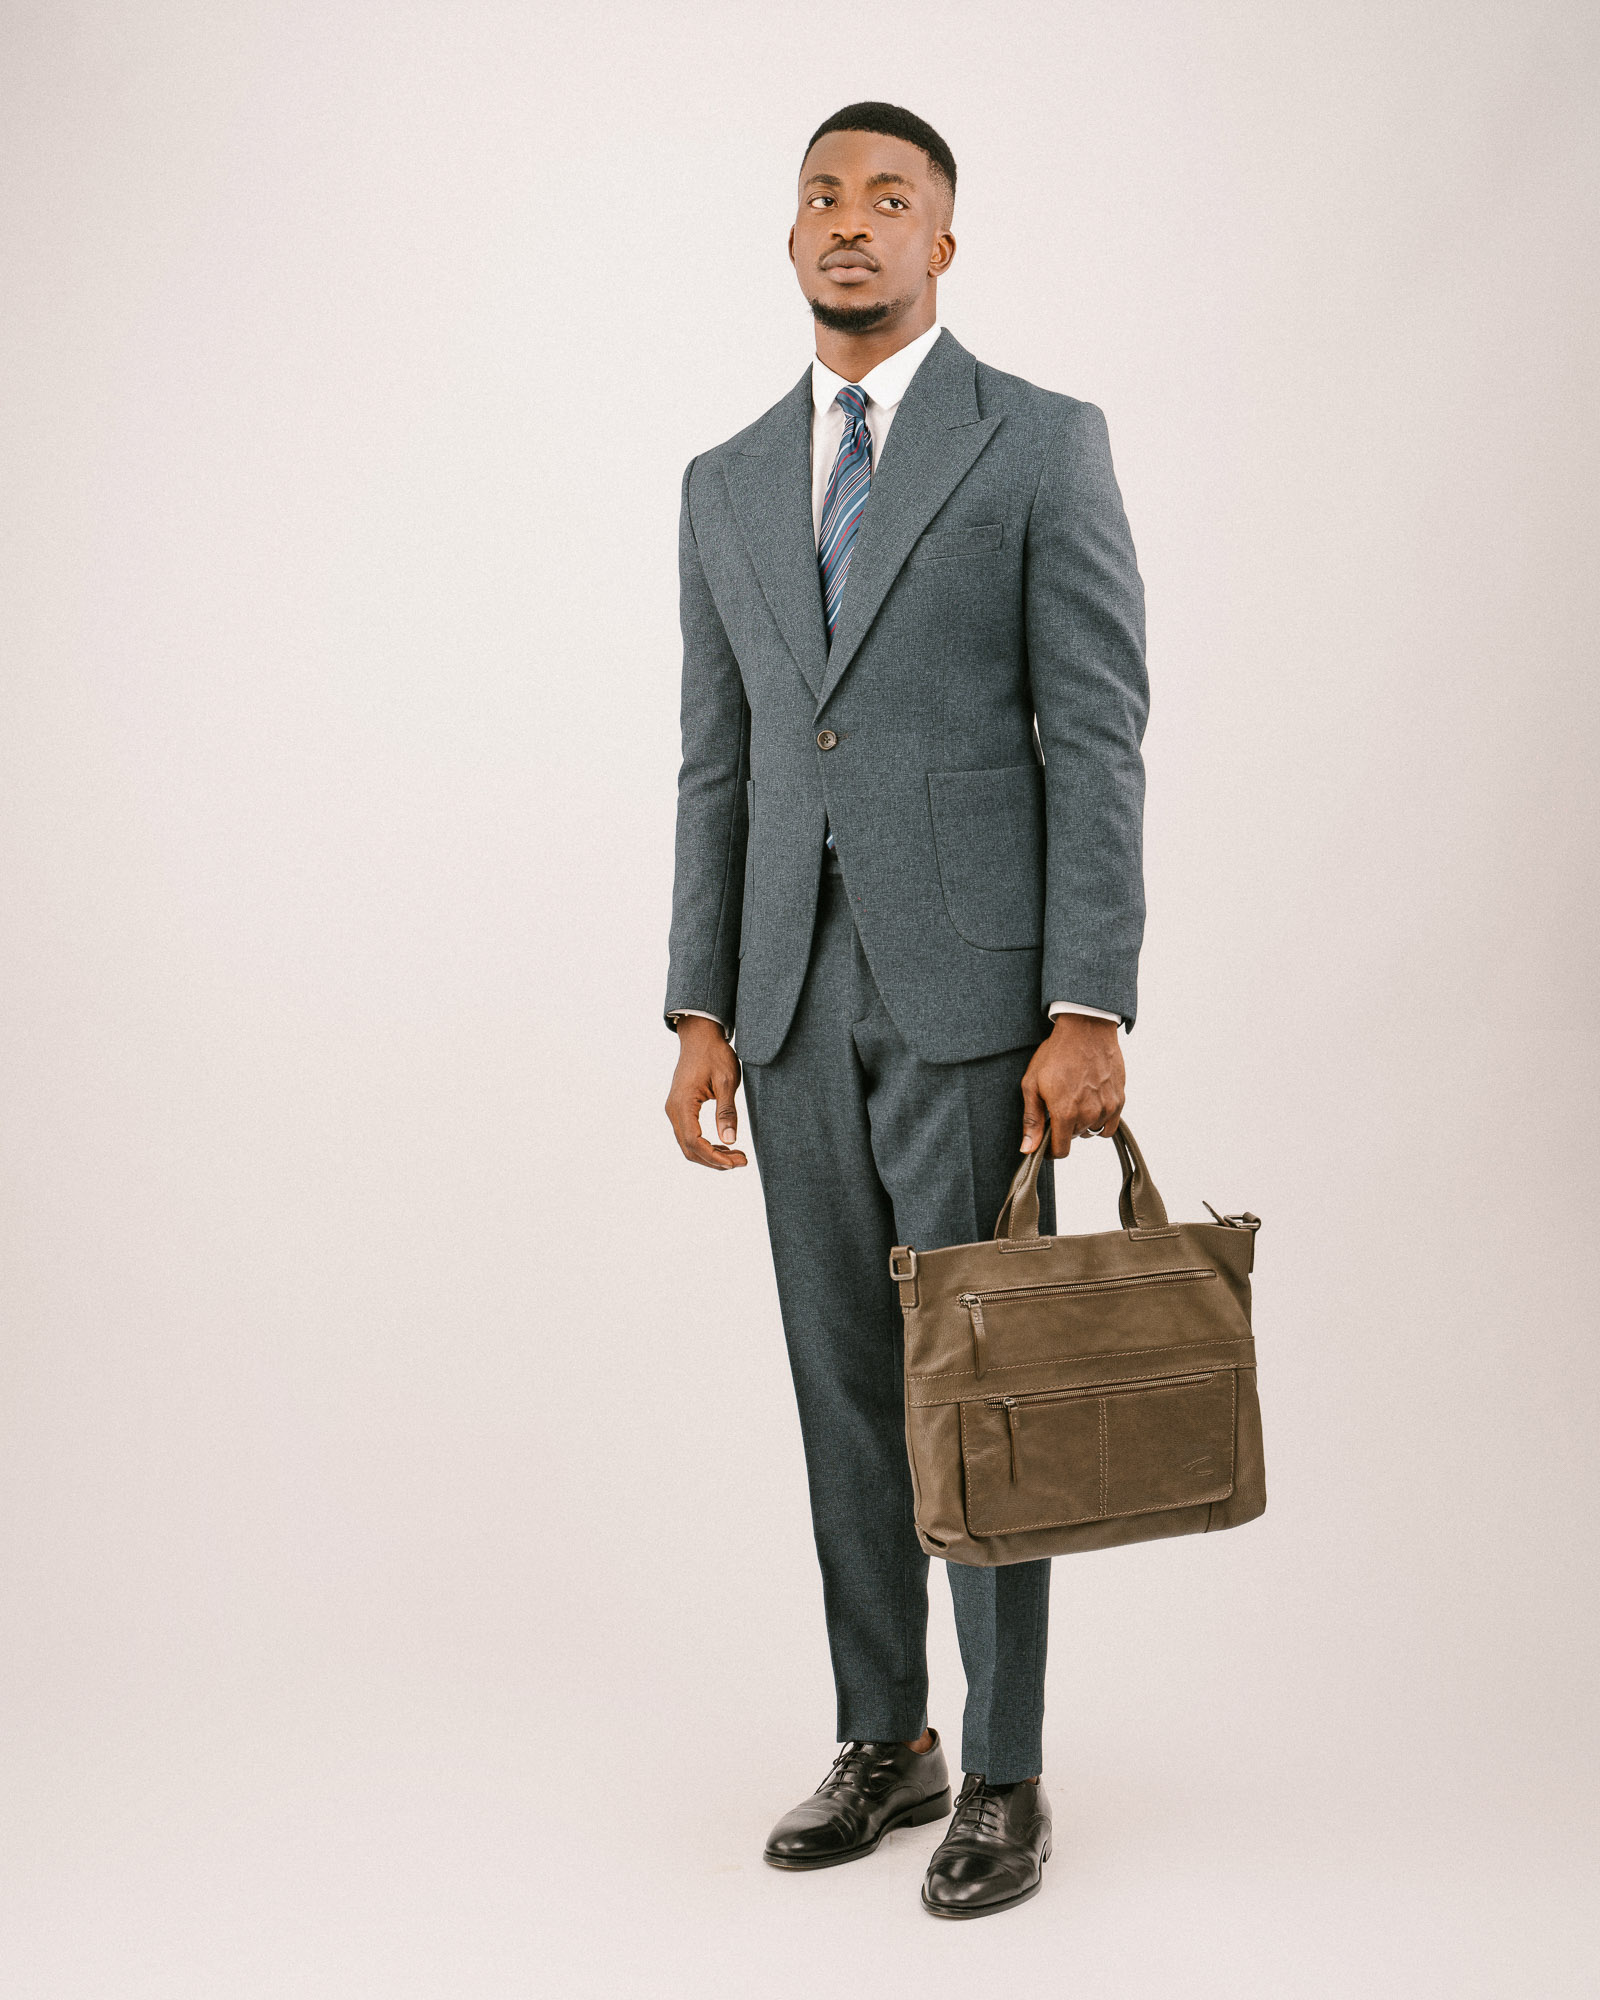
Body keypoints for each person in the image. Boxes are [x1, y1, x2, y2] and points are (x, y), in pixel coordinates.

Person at [662, 101, 1148, 1919]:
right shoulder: (723, 481)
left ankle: (1007, 1768)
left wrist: (1088, 1000)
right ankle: (890, 1735)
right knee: (848, 1389)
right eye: (823, 197)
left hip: (977, 1008)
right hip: (786, 1001)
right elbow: (719, 759)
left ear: (944, 240)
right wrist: (697, 1005)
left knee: (985, 1394)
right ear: (791, 237)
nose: (850, 223)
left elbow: (1096, 729)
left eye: (890, 199)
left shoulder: (1038, 441)